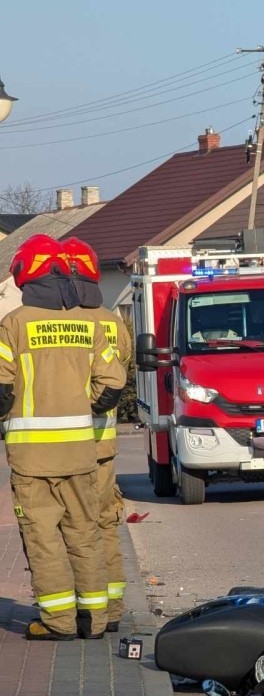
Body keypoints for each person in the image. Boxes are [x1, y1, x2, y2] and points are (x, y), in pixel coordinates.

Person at [1, 234, 127, 640]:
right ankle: (95, 620)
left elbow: (1, 389)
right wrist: (81, 409)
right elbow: (112, 380)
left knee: (43, 537)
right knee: (85, 533)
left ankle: (58, 622)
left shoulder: (14, 324)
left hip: (32, 458)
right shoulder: (85, 323)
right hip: (81, 450)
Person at [64, 236, 134, 635]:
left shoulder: (60, 321)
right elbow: (117, 375)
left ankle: (84, 608)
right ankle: (113, 606)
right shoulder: (111, 319)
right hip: (103, 441)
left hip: (65, 444)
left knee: (73, 526)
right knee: (105, 523)